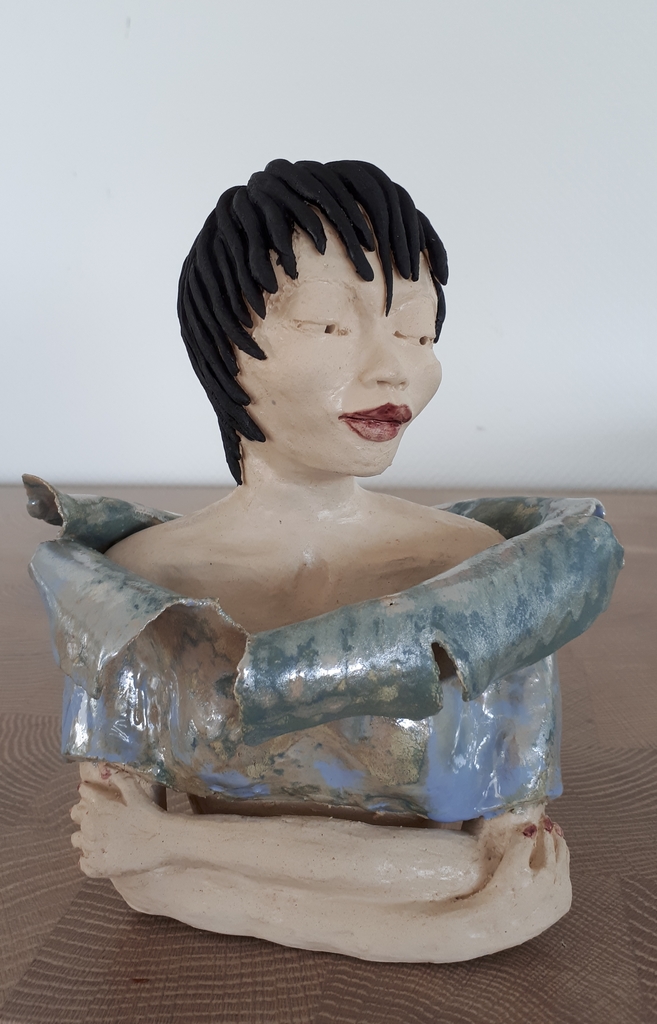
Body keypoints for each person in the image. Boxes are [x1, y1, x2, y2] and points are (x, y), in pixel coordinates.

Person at [26, 160, 623, 960]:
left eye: (418, 332)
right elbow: (121, 864)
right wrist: (452, 903)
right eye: (329, 325)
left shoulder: (496, 585)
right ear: (223, 344)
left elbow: (503, 857)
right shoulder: (124, 592)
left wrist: (176, 846)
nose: (394, 368)